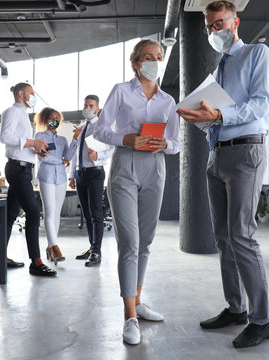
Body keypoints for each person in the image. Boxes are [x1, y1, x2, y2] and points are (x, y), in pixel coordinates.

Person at [177, 1, 269, 349]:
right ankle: (236, 308)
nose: (213, 31)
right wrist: (202, 119)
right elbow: (217, 114)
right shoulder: (220, 66)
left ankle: (262, 319)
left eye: (218, 23)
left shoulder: (256, 54)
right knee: (223, 237)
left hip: (246, 151)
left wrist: (218, 114)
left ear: (236, 22)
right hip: (216, 153)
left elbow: (259, 104)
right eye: (208, 26)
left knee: (242, 236)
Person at [93, 39, 180, 345]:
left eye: (159, 57)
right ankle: (129, 315)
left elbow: (176, 142)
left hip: (155, 169)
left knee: (145, 242)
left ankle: (138, 302)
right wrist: (126, 139)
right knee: (129, 242)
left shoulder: (167, 101)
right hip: (125, 167)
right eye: (149, 57)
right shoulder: (121, 91)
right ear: (136, 63)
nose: (155, 61)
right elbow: (100, 130)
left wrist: (165, 144)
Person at [0, 82, 57, 277]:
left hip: (22, 167)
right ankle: (36, 262)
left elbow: (20, 143)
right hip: (17, 169)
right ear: (21, 94)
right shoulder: (13, 111)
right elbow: (5, 137)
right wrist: (33, 142)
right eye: (31, 92)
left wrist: (36, 149)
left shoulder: (22, 114)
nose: (34, 95)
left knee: (11, 213)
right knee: (33, 211)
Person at [68, 95, 114, 267]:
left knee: (96, 214)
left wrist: (98, 156)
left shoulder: (102, 127)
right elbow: (75, 154)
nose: (87, 107)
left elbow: (112, 148)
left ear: (97, 109)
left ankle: (96, 251)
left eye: (91, 105)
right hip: (81, 174)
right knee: (86, 214)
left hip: (95, 173)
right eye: (85, 104)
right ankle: (91, 247)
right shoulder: (81, 128)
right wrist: (72, 175)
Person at [34, 107, 76, 264]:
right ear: (45, 119)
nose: (55, 120)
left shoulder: (62, 140)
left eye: (57, 118)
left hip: (61, 179)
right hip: (47, 177)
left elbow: (69, 156)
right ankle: (55, 246)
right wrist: (61, 161)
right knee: (49, 212)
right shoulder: (39, 136)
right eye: (52, 117)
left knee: (57, 214)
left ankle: (51, 248)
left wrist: (76, 140)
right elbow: (44, 157)